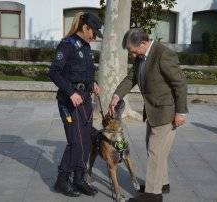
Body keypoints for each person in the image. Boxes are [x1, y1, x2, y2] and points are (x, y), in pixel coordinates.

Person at [108, 28, 188, 202]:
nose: (132, 55)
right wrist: (117, 95)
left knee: (155, 151)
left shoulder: (163, 54)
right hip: (153, 111)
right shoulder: (140, 57)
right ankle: (162, 183)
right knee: (157, 150)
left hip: (166, 111)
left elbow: (180, 83)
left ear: (143, 43)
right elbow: (131, 78)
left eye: (132, 50)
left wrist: (181, 112)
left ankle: (153, 194)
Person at [48, 12, 103, 197]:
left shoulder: (86, 47)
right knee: (75, 142)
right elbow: (54, 72)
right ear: (85, 27)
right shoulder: (67, 45)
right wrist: (71, 92)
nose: (94, 36)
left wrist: (92, 83)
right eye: (93, 32)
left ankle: (79, 179)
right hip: (69, 101)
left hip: (85, 100)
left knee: (86, 141)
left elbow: (87, 73)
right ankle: (62, 180)